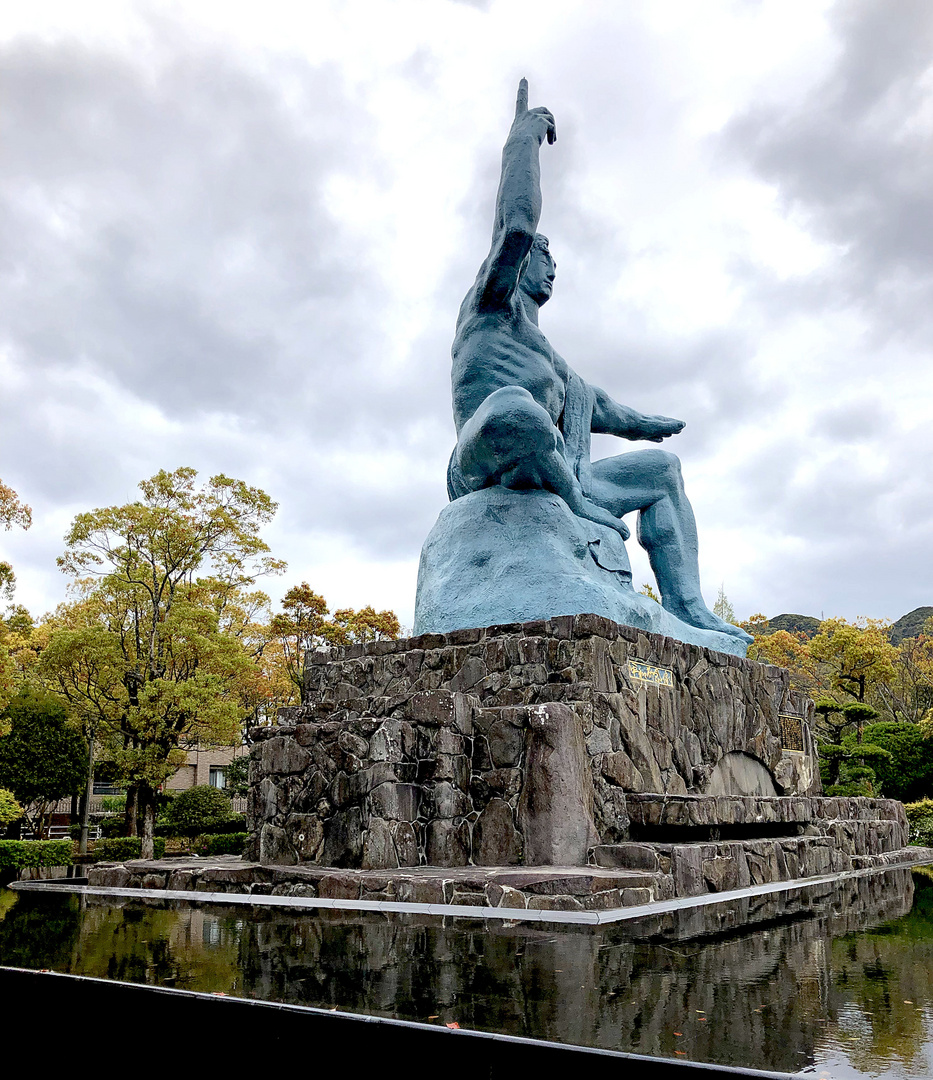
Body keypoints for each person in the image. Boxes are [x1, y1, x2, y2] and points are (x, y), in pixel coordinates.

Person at [446, 79, 749, 644]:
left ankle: (688, 609)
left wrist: (650, 426)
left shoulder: (552, 361)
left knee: (662, 472)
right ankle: (576, 499)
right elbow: (515, 226)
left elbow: (606, 408)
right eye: (544, 258)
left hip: (558, 475)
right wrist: (522, 144)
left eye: (554, 262)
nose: (551, 269)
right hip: (487, 459)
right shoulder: (489, 309)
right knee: (514, 407)